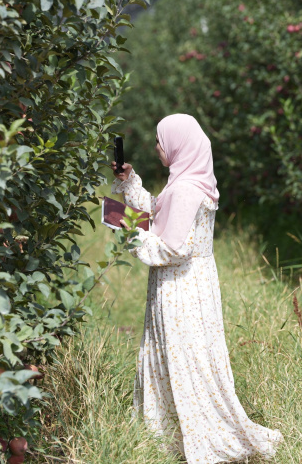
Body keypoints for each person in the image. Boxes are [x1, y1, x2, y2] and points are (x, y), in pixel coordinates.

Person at [110, 114, 283, 463]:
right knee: (193, 356)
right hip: (196, 283)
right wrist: (130, 185)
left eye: (161, 141)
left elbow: (173, 248)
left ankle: (193, 433)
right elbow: (159, 211)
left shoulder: (186, 190)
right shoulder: (194, 181)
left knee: (184, 356)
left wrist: (127, 231)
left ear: (178, 145)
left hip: (180, 287)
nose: (158, 147)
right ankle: (176, 429)